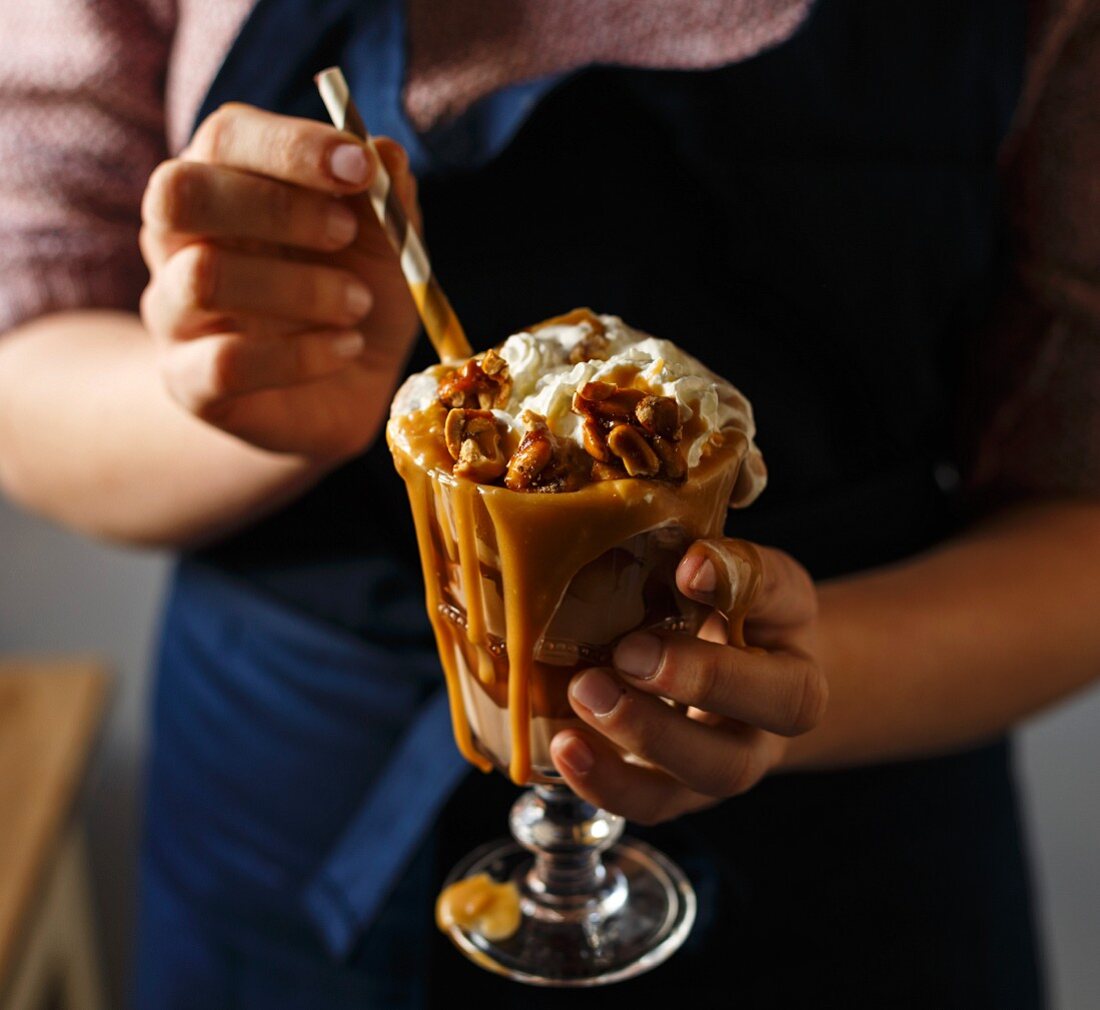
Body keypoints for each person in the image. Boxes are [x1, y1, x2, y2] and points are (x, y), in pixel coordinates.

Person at [1, 0, 1098, 1007]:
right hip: (294, 818)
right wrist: (245, 391)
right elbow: (23, 365)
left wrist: (797, 678)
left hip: (861, 844)